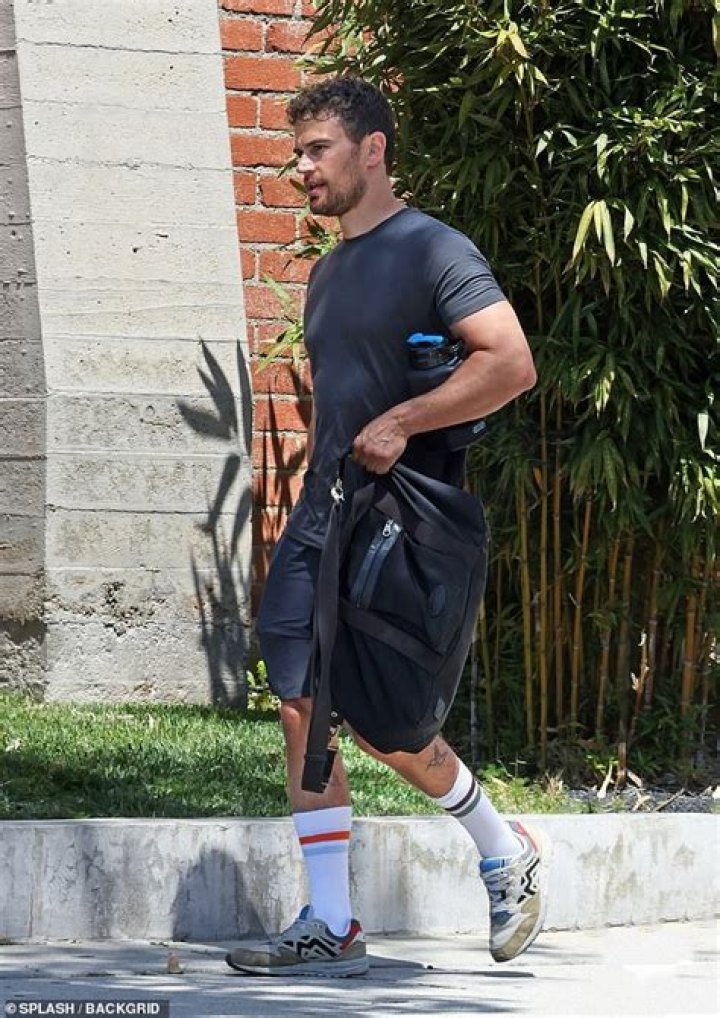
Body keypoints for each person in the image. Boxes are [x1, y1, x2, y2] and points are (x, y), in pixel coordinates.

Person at [226, 76, 547, 978]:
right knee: (299, 696)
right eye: (296, 152)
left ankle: (504, 849)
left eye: (317, 149)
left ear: (373, 150)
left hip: (400, 522)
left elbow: (511, 363)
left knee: (387, 725)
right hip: (325, 512)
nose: (301, 168)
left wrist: (406, 421)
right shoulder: (328, 272)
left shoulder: (432, 249)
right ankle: (331, 919)